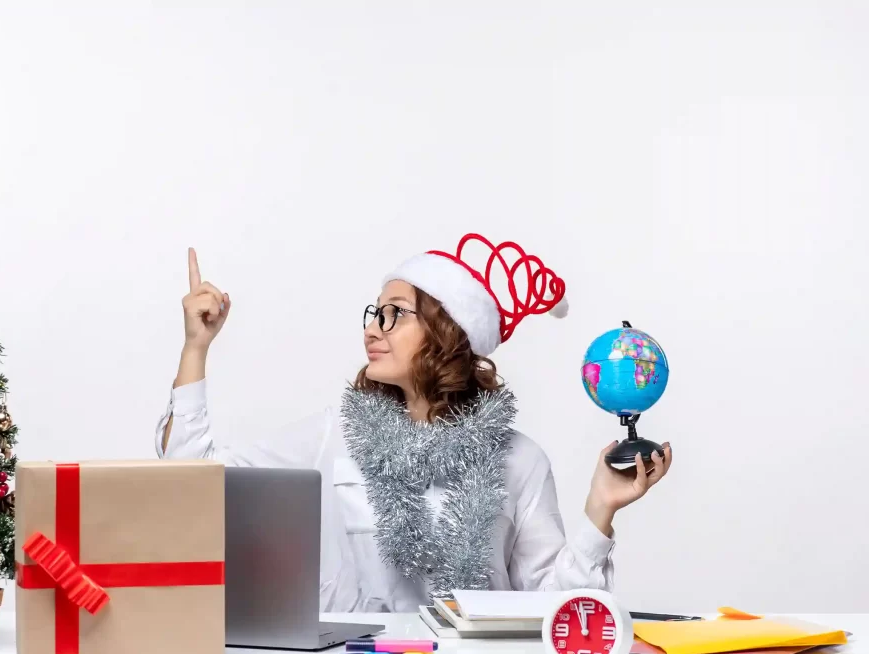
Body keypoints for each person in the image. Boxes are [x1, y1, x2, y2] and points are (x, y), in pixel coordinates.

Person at [156, 233, 672, 613]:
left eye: (394, 314)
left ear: (448, 332)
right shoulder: (336, 435)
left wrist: (600, 510)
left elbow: (559, 613)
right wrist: (196, 348)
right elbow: (189, 477)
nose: (372, 330)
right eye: (373, 313)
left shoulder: (519, 460)